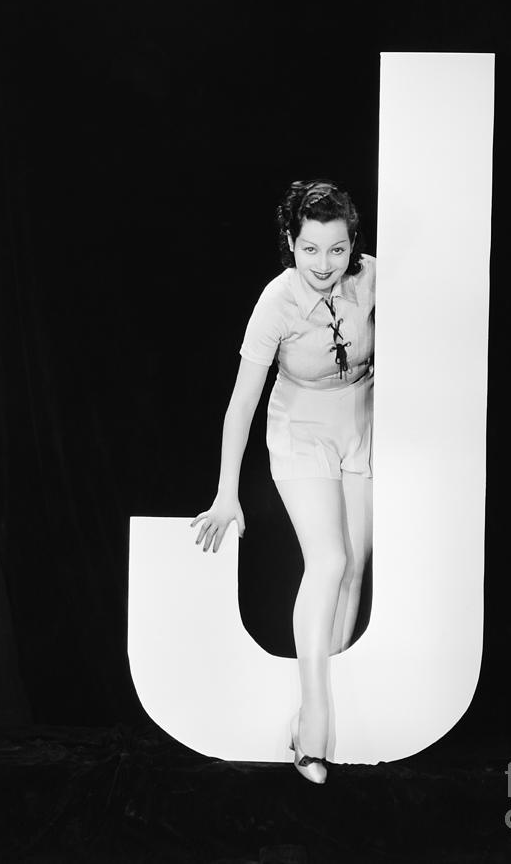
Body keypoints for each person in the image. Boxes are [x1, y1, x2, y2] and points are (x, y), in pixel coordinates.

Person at [191, 178, 375, 785]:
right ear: (291, 245)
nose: (325, 265)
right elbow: (241, 402)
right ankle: (314, 720)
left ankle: (337, 689)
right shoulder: (276, 302)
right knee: (327, 561)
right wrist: (226, 491)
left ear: (353, 245)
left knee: (355, 566)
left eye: (337, 249)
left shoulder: (372, 279)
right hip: (300, 432)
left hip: (361, 425)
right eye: (310, 249)